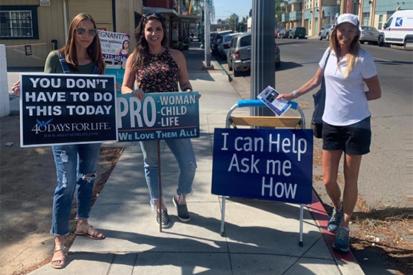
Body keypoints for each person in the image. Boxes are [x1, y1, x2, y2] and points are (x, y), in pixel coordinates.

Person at [277, 13, 381, 252]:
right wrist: (291, 95)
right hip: (331, 123)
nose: (345, 34)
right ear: (334, 30)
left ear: (356, 33)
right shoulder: (328, 54)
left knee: (350, 178)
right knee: (328, 180)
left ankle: (344, 227)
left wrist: (355, 99)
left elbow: (376, 92)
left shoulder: (364, 59)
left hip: (357, 124)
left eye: (350, 30)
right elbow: (315, 80)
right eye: (341, 29)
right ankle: (338, 207)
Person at [11, 13, 106, 268]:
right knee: (65, 184)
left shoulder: (98, 62)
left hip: (90, 132)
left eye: (91, 31)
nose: (86, 36)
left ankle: (83, 222)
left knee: (87, 177)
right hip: (61, 132)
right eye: (81, 31)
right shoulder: (57, 58)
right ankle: (59, 240)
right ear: (72, 32)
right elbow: (43, 91)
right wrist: (26, 90)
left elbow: (102, 96)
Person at [121, 13, 197, 228]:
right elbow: (125, 86)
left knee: (189, 164)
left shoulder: (176, 55)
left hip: (174, 117)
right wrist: (131, 94)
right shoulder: (136, 57)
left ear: (164, 32)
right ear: (143, 32)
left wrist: (190, 94)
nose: (154, 33)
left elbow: (184, 82)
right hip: (148, 118)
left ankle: (181, 197)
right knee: (152, 163)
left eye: (158, 29)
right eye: (149, 29)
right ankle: (159, 206)